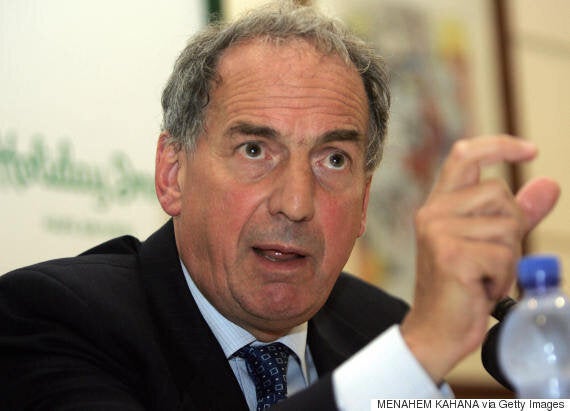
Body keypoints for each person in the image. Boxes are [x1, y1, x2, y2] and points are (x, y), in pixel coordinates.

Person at [0, 2, 560, 410]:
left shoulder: (378, 330)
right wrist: (422, 350)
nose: (295, 204)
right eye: (254, 150)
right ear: (173, 174)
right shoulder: (51, 318)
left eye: (333, 160)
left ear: (365, 201)